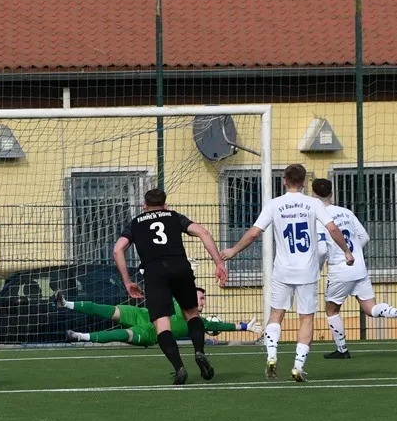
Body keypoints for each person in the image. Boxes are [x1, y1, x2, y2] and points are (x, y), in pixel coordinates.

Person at [222, 163, 351, 382]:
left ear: (284, 181)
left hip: (283, 270)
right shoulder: (313, 204)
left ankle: (272, 355)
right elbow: (332, 228)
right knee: (306, 318)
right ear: (304, 182)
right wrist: (346, 251)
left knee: (276, 314)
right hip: (307, 271)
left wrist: (233, 250)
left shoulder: (275, 204)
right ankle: (298, 366)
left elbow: (254, 233)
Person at [112, 188, 229, 385]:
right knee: (192, 314)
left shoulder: (135, 223)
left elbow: (117, 250)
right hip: (180, 268)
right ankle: (199, 351)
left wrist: (127, 281)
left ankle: (179, 367)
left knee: (162, 323)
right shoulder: (174, 216)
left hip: (154, 272)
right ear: (165, 205)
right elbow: (204, 232)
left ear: (144, 206)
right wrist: (218, 263)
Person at [311, 177, 397, 358]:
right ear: (332, 193)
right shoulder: (346, 213)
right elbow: (365, 237)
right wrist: (354, 253)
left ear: (313, 195)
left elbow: (322, 249)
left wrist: (321, 265)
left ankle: (342, 350)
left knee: (331, 309)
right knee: (370, 308)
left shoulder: (319, 218)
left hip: (340, 270)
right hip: (359, 267)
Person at [57, 286, 255, 345]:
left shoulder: (198, 321)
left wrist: (245, 326)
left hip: (151, 332)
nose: (203, 301)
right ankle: (65, 303)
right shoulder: (178, 299)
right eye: (201, 298)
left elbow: (220, 326)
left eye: (203, 299)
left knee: (122, 334)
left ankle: (79, 337)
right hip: (141, 314)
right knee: (105, 309)